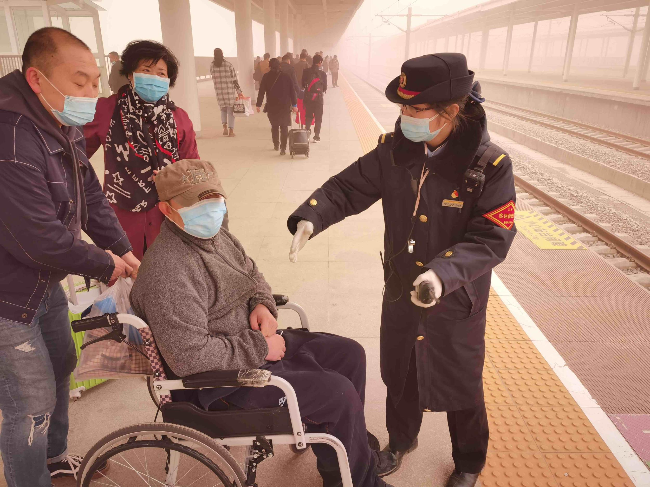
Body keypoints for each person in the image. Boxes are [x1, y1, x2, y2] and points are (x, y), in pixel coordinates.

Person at [287, 54, 517, 487]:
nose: (406, 116)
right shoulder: (394, 151)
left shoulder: (489, 166)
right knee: (401, 372)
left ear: (451, 111)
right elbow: (347, 187)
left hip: (456, 299)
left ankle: (469, 460)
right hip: (400, 290)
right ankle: (400, 441)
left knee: (461, 381)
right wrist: (311, 217)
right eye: (404, 107)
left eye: (417, 109)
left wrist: (442, 275)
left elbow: (492, 237)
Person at [130, 159, 398, 487]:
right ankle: (357, 475)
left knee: (349, 354)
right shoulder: (168, 272)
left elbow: (252, 274)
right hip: (219, 384)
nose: (210, 210)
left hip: (249, 343)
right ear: (167, 209)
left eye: (213, 199)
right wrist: (260, 347)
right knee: (337, 394)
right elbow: (189, 357)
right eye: (196, 204)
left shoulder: (218, 237)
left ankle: (343, 460)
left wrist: (262, 304)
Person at [0, 27, 139, 486]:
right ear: (36, 78)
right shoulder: (10, 139)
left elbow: (90, 195)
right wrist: (106, 264)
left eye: (96, 81)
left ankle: (54, 458)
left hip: (43, 282)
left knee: (60, 367)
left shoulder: (58, 121)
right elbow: (37, 238)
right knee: (30, 404)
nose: (91, 93)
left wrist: (122, 248)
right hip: (8, 295)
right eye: (80, 82)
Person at [84, 40, 200, 262]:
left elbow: (194, 169)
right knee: (127, 276)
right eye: (146, 70)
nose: (154, 78)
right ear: (130, 74)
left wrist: (174, 177)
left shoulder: (179, 118)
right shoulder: (106, 110)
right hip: (120, 220)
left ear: (168, 80)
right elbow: (74, 155)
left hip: (168, 217)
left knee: (166, 273)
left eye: (161, 73)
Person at [256, 58, 297, 155]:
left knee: (274, 126)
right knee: (284, 127)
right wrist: (294, 105)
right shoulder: (286, 76)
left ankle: (276, 144)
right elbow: (292, 91)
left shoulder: (266, 76)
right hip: (284, 106)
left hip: (272, 105)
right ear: (279, 65)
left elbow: (261, 92)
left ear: (269, 66)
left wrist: (258, 104)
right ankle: (283, 148)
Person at [208, 48, 243, 137]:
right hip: (229, 92)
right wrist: (239, 91)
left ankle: (224, 128)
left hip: (219, 92)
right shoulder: (228, 65)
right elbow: (234, 80)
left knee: (223, 110)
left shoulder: (212, 66)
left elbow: (213, 77)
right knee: (230, 111)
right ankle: (231, 131)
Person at [301, 53, 327, 142]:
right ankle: (316, 136)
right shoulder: (323, 74)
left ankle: (307, 133)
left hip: (308, 97)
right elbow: (325, 88)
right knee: (318, 117)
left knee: (308, 116)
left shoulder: (306, 71)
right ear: (320, 62)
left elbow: (303, 84)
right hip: (318, 99)